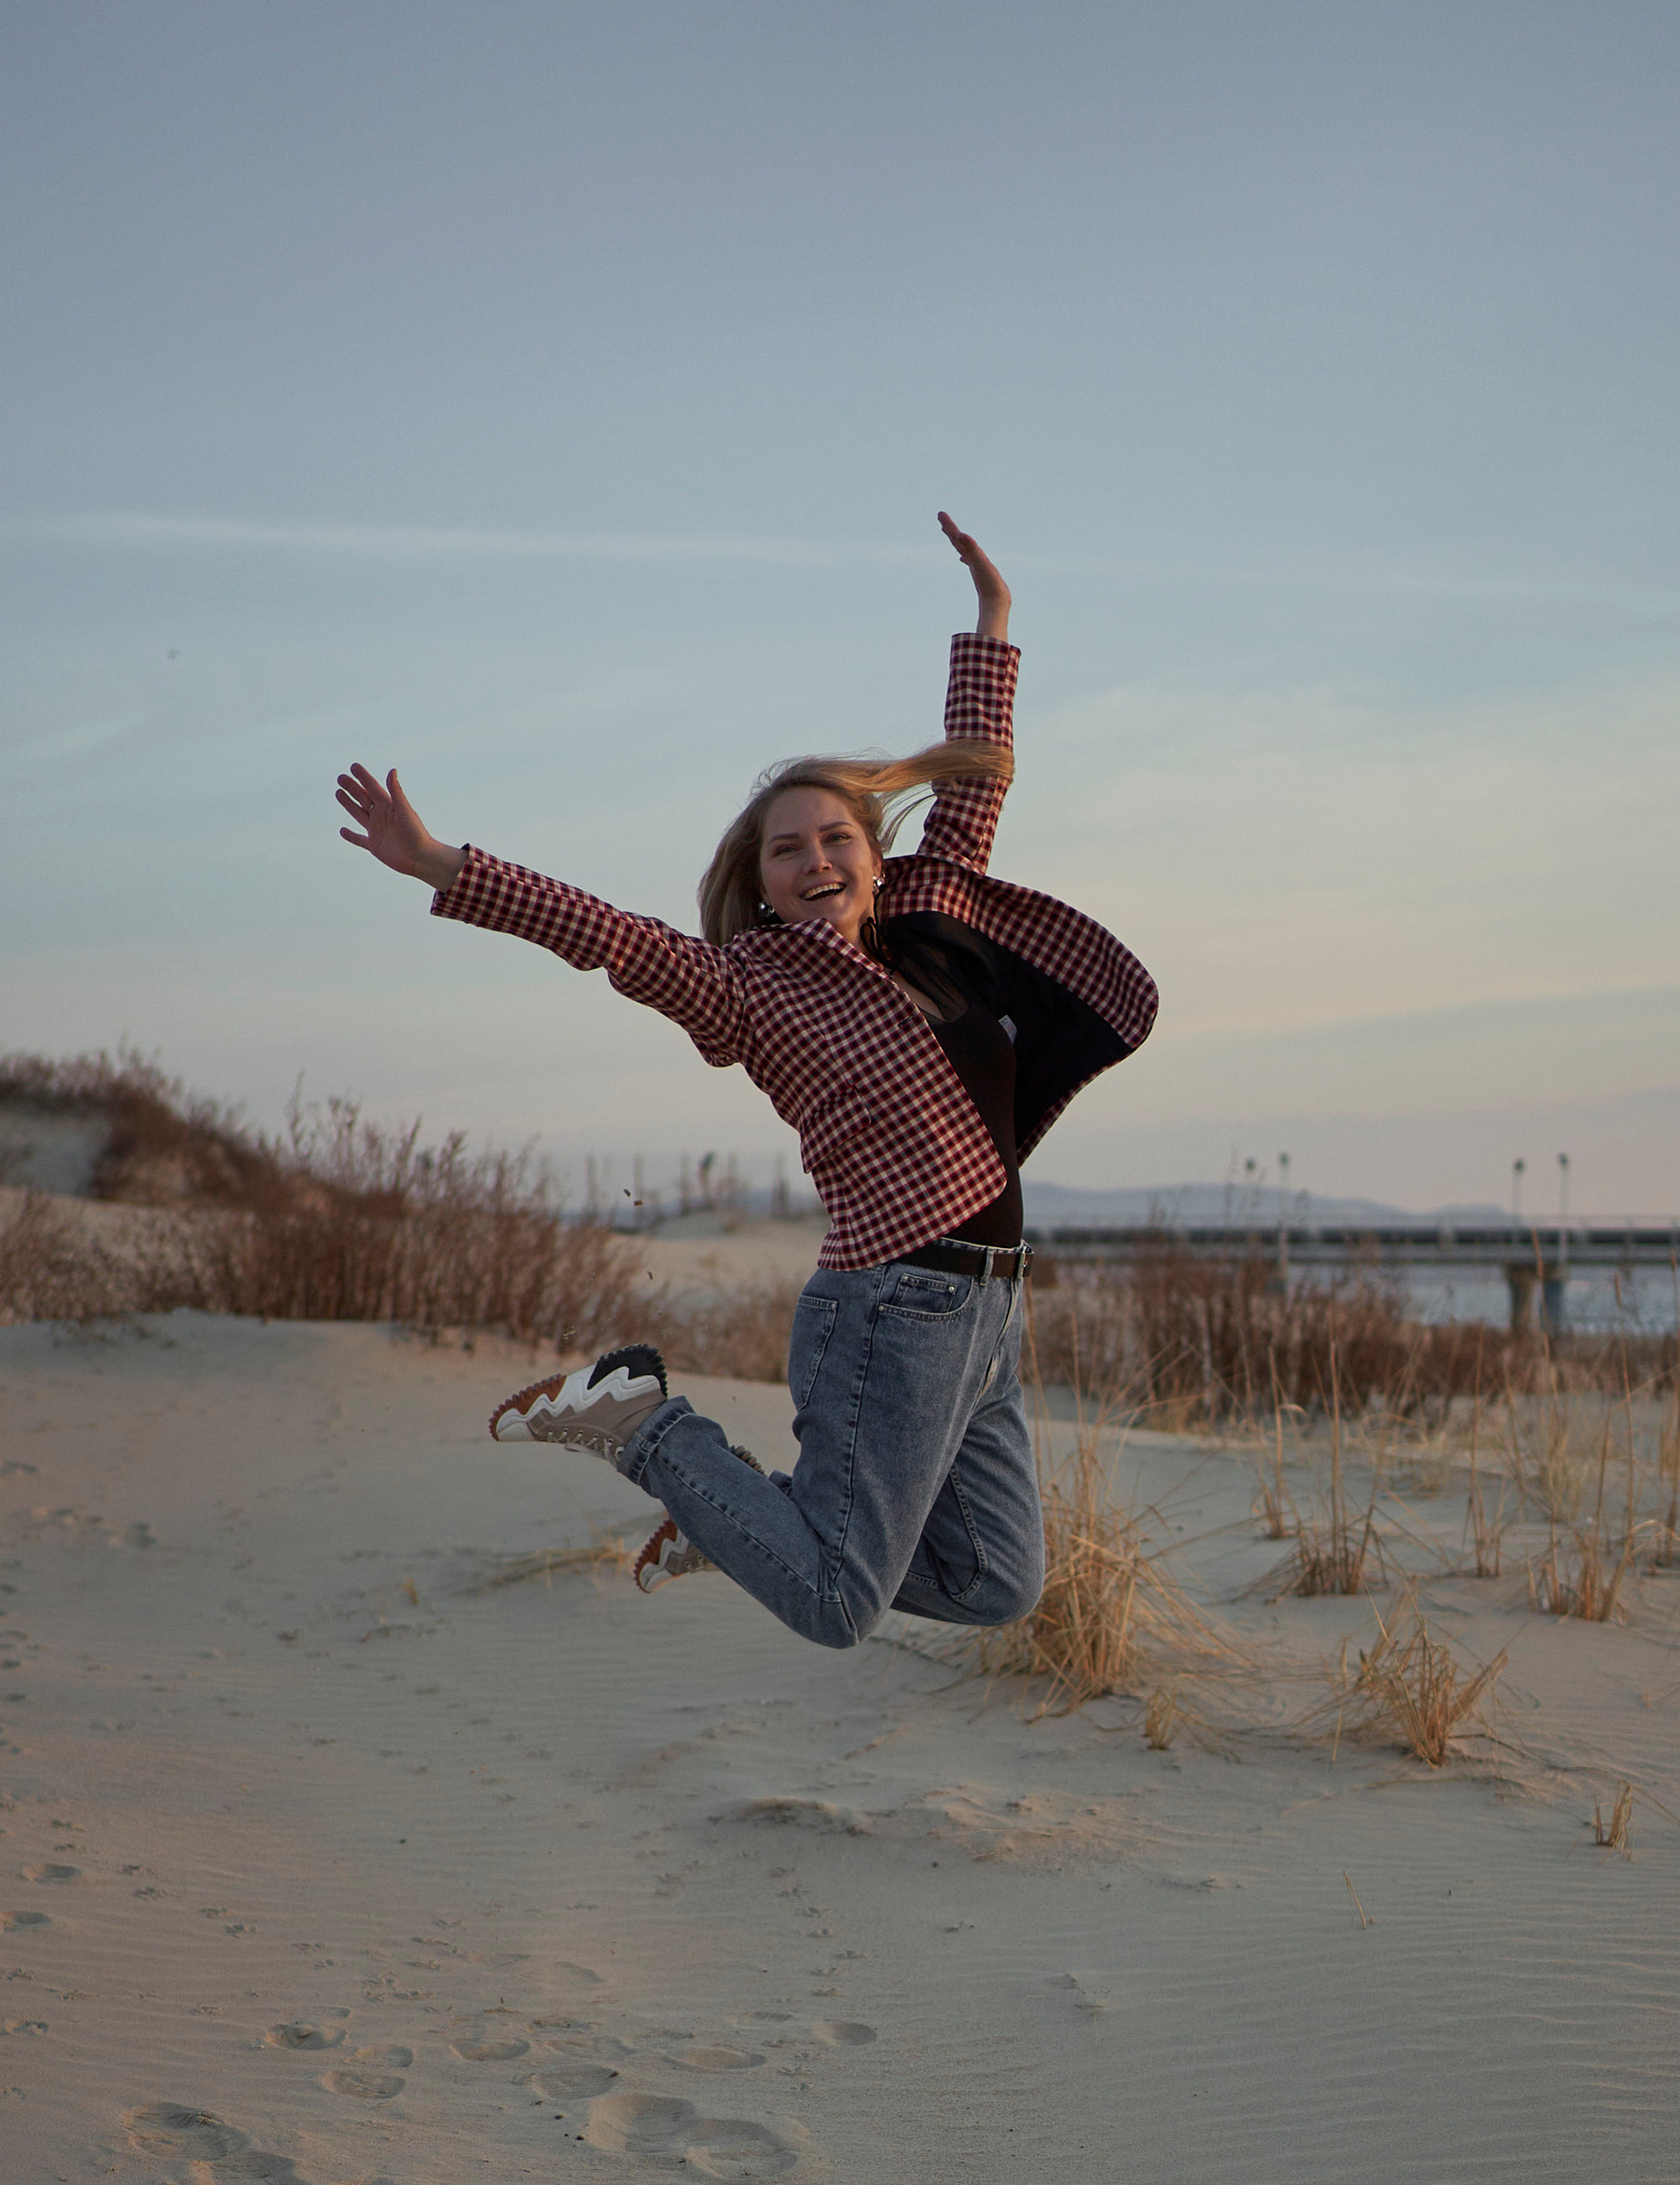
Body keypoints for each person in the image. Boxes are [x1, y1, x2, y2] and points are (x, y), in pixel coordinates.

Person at [335, 515, 1155, 1648]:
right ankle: (644, 1427)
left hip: (991, 1305)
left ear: (873, 855)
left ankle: (739, 1525)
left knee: (997, 1584)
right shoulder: (744, 986)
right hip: (890, 1308)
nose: (815, 861)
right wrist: (443, 867)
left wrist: (994, 622)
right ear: (759, 883)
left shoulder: (935, 926)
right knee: (833, 1605)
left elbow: (977, 778)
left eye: (834, 840)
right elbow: (608, 933)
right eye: (786, 850)